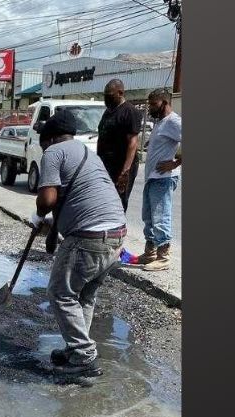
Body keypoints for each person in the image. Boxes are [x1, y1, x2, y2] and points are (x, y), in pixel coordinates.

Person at [29, 109, 127, 380]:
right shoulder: (85, 153)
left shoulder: (53, 152)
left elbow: (48, 200)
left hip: (90, 238)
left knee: (60, 293)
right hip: (116, 235)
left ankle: (83, 355)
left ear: (49, 137)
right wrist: (51, 230)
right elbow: (70, 200)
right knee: (84, 295)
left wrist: (38, 216)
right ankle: (76, 348)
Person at [137, 89, 182, 271]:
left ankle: (163, 257)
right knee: (148, 217)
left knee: (160, 216)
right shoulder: (160, 122)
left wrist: (176, 163)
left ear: (164, 103)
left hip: (163, 179)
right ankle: (150, 253)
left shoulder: (173, 121)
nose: (151, 109)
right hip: (152, 178)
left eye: (154, 105)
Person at [97, 79, 143, 212]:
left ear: (120, 92)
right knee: (104, 199)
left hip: (121, 167)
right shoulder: (108, 112)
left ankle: (117, 230)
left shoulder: (130, 111)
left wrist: (125, 171)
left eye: (109, 95)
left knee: (118, 201)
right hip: (106, 164)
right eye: (105, 95)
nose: (106, 98)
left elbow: (133, 143)